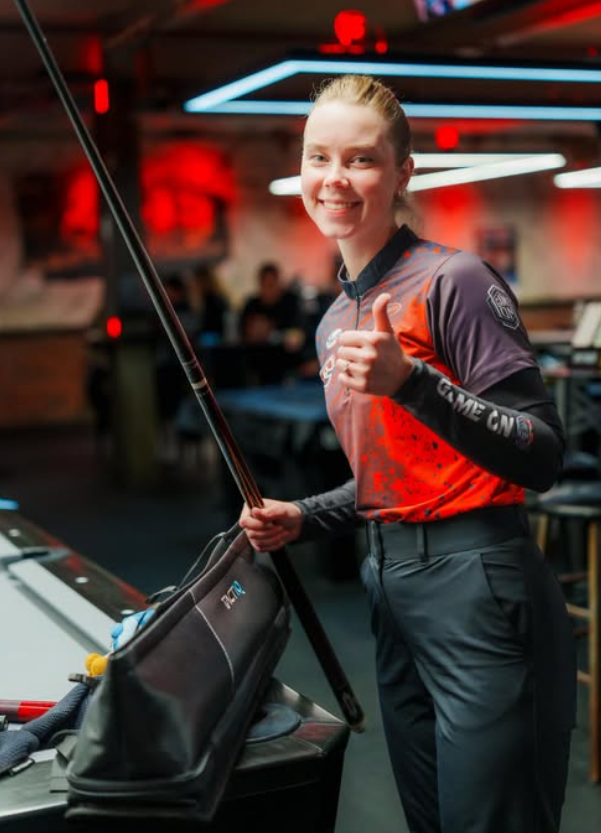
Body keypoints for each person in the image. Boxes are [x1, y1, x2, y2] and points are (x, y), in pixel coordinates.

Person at [240, 75, 576, 833]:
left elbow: (543, 451)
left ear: (402, 173)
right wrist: (305, 515)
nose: (334, 177)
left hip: (479, 584)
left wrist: (415, 382)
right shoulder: (335, 319)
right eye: (318, 156)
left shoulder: (455, 280)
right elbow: (392, 473)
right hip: (390, 588)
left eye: (360, 159)